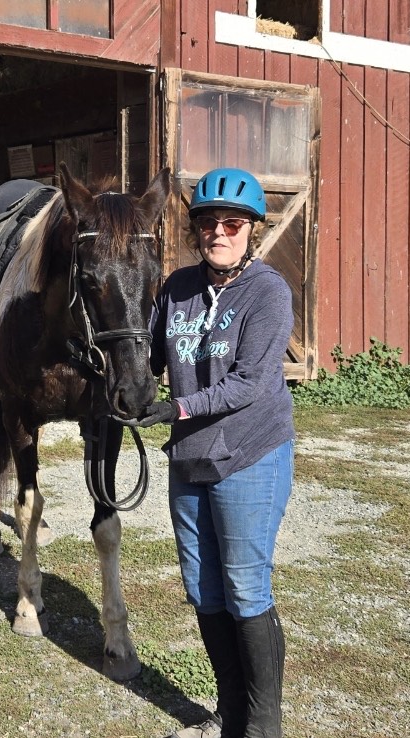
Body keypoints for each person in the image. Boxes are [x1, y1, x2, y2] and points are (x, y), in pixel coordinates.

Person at [119, 167, 294, 738]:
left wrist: (176, 409)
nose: (219, 232)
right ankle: (229, 714)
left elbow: (249, 384)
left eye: (232, 223)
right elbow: (147, 357)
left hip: (248, 454)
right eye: (208, 223)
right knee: (203, 590)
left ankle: (262, 727)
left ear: (252, 230)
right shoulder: (177, 288)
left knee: (245, 589)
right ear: (195, 230)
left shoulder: (268, 292)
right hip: (189, 458)